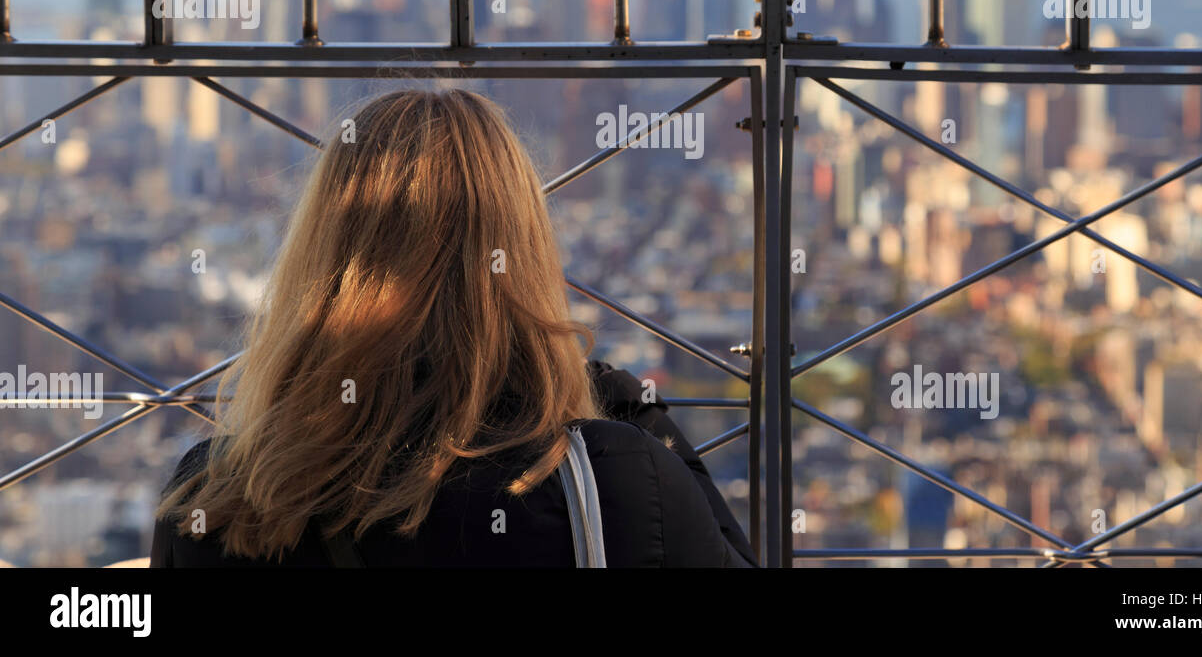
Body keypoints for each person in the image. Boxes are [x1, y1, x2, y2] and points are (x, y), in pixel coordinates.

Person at [150, 87, 755, 567]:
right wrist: (633, 410)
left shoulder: (219, 502)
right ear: (527, 253)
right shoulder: (615, 485)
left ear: (320, 263)